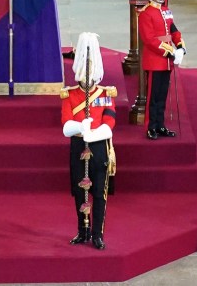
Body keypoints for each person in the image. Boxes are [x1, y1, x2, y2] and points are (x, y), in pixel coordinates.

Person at [61, 32, 116, 250]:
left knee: (99, 195)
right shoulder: (69, 95)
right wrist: (79, 127)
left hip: (99, 147)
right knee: (79, 191)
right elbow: (66, 125)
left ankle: (97, 233)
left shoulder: (106, 93)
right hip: (77, 146)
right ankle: (82, 230)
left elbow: (110, 122)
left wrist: (93, 133)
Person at [138, 0, 185, 140]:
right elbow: (149, 40)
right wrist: (170, 50)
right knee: (153, 98)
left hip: (166, 62)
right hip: (156, 60)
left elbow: (172, 29)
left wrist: (180, 45)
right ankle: (151, 126)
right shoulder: (146, 13)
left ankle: (160, 125)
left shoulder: (165, 10)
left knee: (163, 97)